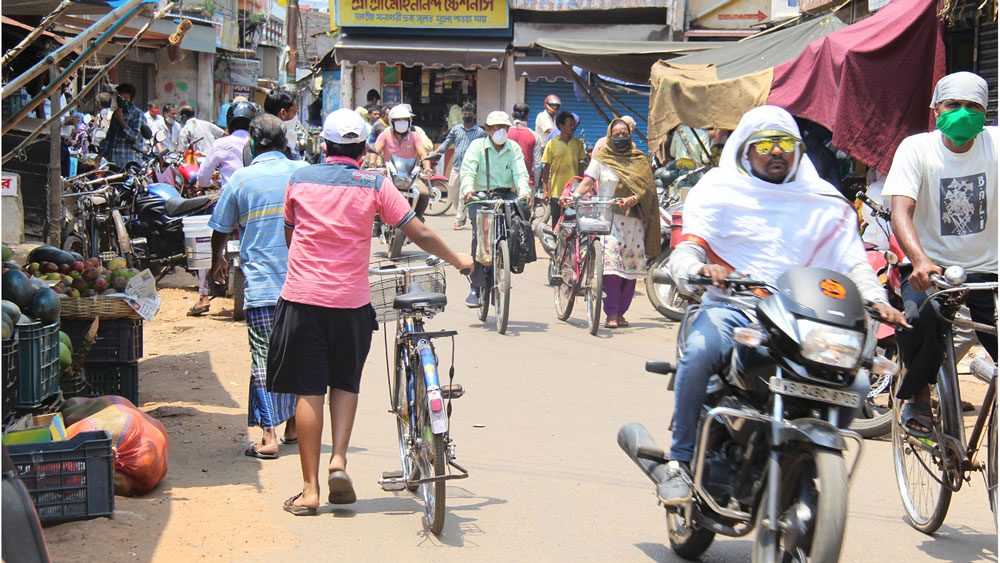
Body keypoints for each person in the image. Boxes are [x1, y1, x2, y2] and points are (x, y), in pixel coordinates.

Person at [657, 105, 904, 505]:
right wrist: (697, 269)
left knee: (854, 379)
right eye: (766, 143)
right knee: (700, 352)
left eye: (786, 143)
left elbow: (853, 263)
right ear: (745, 150)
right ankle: (680, 462)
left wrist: (877, 299)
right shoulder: (719, 191)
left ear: (799, 151)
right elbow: (691, 246)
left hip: (804, 319)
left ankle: (806, 458)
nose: (776, 151)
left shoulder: (823, 201)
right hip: (736, 308)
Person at [266, 108, 473, 515]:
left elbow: (291, 235)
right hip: (351, 303)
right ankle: (339, 460)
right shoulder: (373, 183)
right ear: (363, 149)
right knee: (345, 383)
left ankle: (310, 492)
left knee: (309, 390)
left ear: (324, 147)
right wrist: (457, 258)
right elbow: (420, 231)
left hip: (303, 299)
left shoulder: (300, 180)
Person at [881, 71, 998, 439]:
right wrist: (919, 260)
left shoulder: (995, 145)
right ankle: (918, 395)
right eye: (953, 105)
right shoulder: (916, 149)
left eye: (972, 107)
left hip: (989, 271)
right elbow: (901, 210)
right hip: (930, 270)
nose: (963, 114)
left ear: (986, 112)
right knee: (919, 317)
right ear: (936, 111)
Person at [208, 114, 308, 459]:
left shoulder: (241, 179)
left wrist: (216, 261)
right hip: (305, 286)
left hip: (264, 287)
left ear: (252, 144)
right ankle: (294, 424)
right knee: (298, 354)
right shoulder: (303, 172)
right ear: (284, 143)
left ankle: (269, 436)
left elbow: (220, 226)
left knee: (264, 358)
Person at [564, 118, 659, 328]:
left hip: (633, 222)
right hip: (608, 220)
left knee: (631, 271)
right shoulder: (602, 158)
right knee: (612, 268)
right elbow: (588, 182)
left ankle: (622, 311)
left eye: (623, 132)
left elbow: (647, 189)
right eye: (615, 134)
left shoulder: (639, 159)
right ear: (609, 136)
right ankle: (611, 313)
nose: (620, 137)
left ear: (630, 134)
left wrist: (633, 198)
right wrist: (573, 196)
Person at [188, 101, 257, 317]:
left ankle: (203, 296)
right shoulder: (256, 141)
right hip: (254, 202)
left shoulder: (221, 143)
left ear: (229, 121)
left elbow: (203, 177)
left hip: (227, 201)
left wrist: (208, 182)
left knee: (205, 234)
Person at [459, 111, 531, 307]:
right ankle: (475, 286)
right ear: (488, 130)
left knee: (518, 227)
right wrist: (468, 190)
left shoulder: (513, 148)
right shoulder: (477, 147)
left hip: (506, 195)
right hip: (480, 196)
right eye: (496, 128)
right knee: (480, 234)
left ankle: (507, 261)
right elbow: (467, 172)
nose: (501, 131)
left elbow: (521, 173)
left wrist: (524, 192)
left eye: (504, 128)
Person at [369, 104, 431, 219]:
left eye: (405, 121)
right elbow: (375, 150)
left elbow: (423, 153)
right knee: (376, 193)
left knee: (424, 193)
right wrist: (372, 163)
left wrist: (427, 167)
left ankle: (418, 218)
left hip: (410, 174)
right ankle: (377, 221)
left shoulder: (414, 136)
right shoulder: (385, 135)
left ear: (409, 122)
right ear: (392, 122)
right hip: (389, 174)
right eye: (398, 121)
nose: (401, 123)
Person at [436, 102, 486, 230]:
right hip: (456, 167)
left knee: (462, 194)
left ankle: (459, 219)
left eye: (469, 114)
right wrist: (437, 152)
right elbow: (447, 143)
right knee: (452, 193)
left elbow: (484, 149)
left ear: (474, 116)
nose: (467, 116)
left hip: (471, 168)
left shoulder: (480, 132)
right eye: (465, 114)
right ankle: (463, 212)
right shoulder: (456, 129)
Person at [541, 110, 586, 228]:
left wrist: (582, 186)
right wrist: (545, 190)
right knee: (557, 225)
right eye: (570, 125)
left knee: (573, 225)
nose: (573, 127)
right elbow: (546, 169)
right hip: (556, 192)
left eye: (573, 125)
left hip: (574, 192)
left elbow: (582, 167)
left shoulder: (578, 144)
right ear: (561, 126)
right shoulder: (551, 144)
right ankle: (557, 245)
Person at [197, 100, 256, 189]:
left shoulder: (221, 144)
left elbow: (202, 178)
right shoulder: (260, 144)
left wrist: (210, 184)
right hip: (254, 196)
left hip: (229, 197)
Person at [243, 87, 297, 164]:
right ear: (283, 113)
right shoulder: (281, 145)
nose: (295, 117)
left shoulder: (250, 144)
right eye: (294, 113)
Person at [101, 83, 146, 168]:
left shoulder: (138, 114)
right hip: (113, 163)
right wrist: (102, 154)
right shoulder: (115, 114)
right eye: (120, 98)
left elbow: (136, 138)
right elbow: (109, 136)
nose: (122, 101)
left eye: (125, 99)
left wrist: (122, 123)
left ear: (132, 100)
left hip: (129, 163)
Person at [508, 103, 536, 190]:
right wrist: (534, 182)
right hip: (527, 183)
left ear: (512, 114)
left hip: (507, 183)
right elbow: (537, 164)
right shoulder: (534, 135)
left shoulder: (505, 133)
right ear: (527, 116)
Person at [534, 95, 561, 185]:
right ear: (547, 105)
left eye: (556, 106)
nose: (555, 107)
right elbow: (550, 130)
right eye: (553, 105)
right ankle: (539, 187)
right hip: (542, 148)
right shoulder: (542, 116)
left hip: (552, 148)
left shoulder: (555, 118)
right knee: (543, 170)